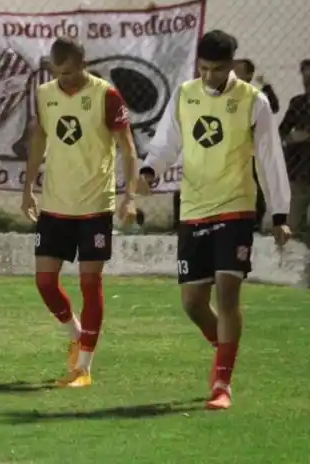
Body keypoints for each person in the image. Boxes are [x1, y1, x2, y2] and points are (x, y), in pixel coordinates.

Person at [138, 30, 291, 410]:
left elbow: (270, 159)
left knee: (227, 292)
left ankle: (222, 381)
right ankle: (225, 349)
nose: (209, 77)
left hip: (236, 206)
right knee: (192, 302)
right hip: (193, 207)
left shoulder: (253, 102)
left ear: (233, 66)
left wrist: (279, 212)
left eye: (217, 69)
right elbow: (165, 143)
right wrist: (149, 172)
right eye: (203, 69)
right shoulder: (184, 94)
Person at [21, 36, 139, 388]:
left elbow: (128, 149)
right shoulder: (45, 95)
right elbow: (39, 139)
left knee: (90, 283)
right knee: (44, 282)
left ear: (83, 63)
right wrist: (28, 187)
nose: (64, 79)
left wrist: (129, 196)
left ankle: (83, 367)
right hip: (55, 204)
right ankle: (75, 333)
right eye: (58, 73)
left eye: (70, 72)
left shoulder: (106, 95)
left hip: (94, 205)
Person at [278, 59, 310, 245]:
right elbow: (283, 131)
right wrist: (292, 138)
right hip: (298, 169)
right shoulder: (297, 102)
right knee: (294, 222)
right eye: (304, 75)